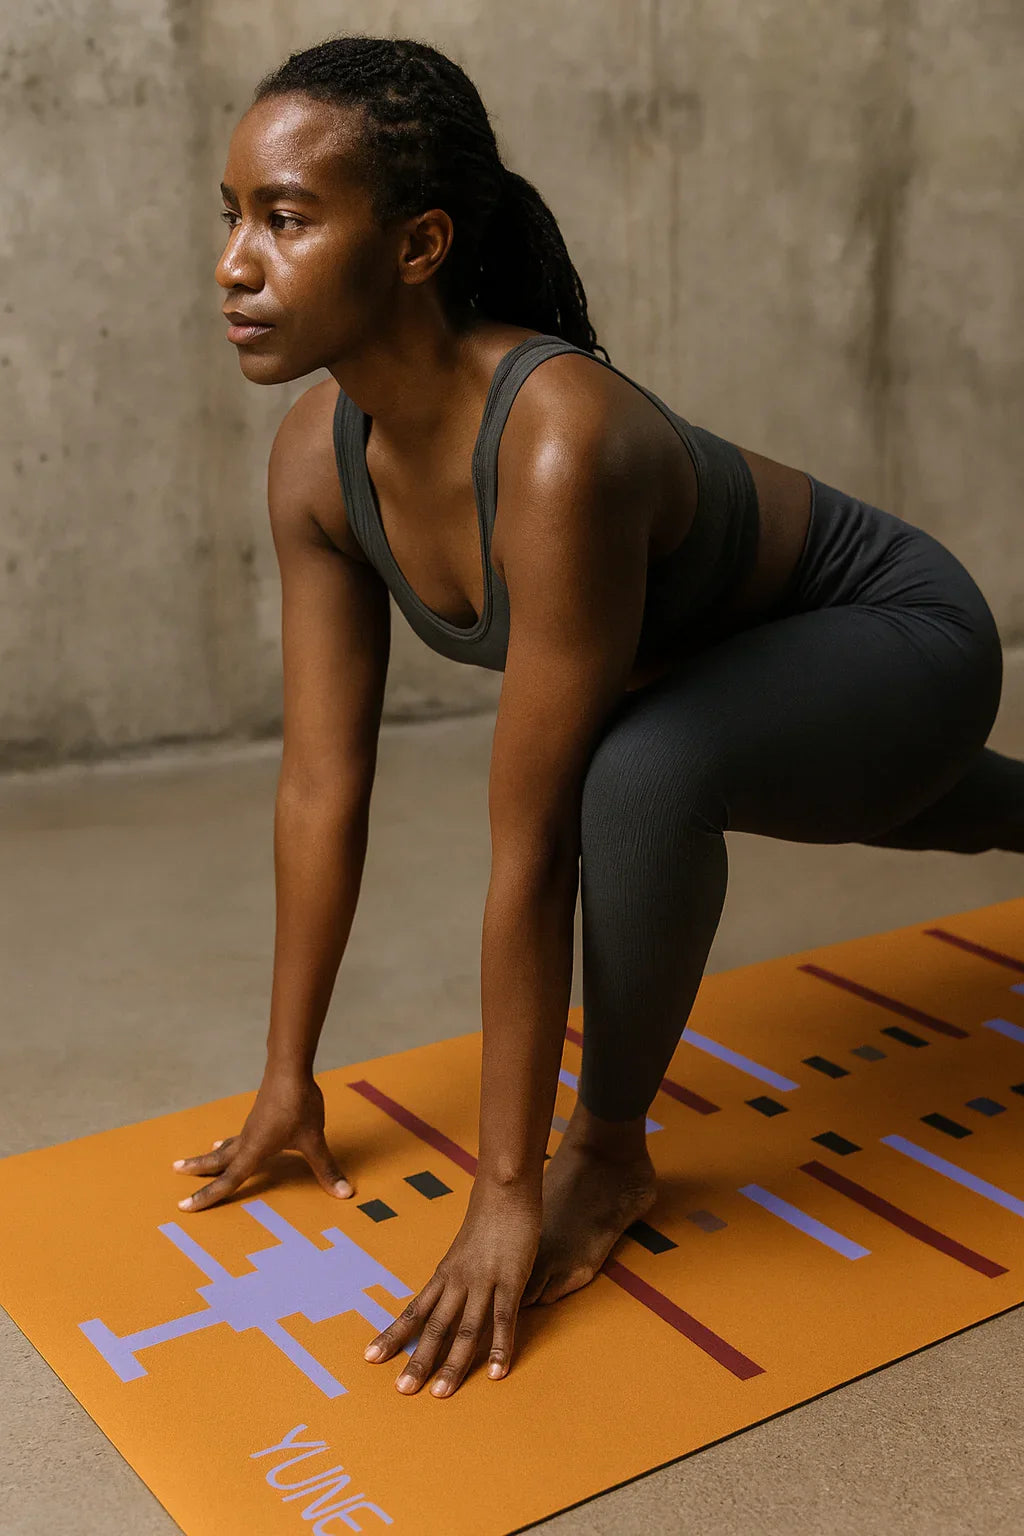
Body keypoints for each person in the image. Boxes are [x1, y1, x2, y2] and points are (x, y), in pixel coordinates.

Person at [172, 35, 1023, 1402]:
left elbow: (535, 849)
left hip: (900, 644)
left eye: (284, 217)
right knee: (874, 794)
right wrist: (289, 1075)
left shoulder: (558, 438)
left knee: (638, 777)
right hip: (756, 691)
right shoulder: (315, 468)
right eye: (231, 216)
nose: (234, 261)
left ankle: (613, 1148)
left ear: (418, 244)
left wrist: (510, 1186)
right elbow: (320, 787)